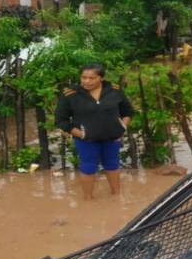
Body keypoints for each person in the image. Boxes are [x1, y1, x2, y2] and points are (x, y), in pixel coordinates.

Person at [55, 64, 134, 200]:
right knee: (88, 167)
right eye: (84, 77)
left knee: (112, 165)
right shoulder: (70, 94)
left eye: (92, 78)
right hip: (87, 141)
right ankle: (88, 199)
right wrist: (81, 134)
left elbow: (127, 112)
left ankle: (116, 197)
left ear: (101, 78)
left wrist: (122, 128)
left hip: (112, 138)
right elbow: (61, 120)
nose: (87, 81)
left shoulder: (114, 90)